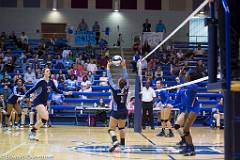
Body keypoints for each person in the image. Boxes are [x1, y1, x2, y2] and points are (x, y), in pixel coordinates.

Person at [23, 68, 72, 140]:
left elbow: (57, 90)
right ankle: (32, 132)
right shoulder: (41, 81)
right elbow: (32, 89)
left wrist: (66, 93)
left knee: (44, 119)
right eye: (47, 71)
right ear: (44, 73)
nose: (48, 72)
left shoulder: (51, 82)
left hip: (44, 102)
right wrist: (24, 96)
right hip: (38, 101)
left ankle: (33, 131)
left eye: (49, 71)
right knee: (45, 117)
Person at [106, 59, 129, 152]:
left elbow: (109, 78)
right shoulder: (126, 88)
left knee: (111, 130)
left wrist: (108, 67)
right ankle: (122, 145)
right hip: (124, 111)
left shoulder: (115, 88)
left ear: (119, 83)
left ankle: (115, 142)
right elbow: (126, 77)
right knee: (121, 128)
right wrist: (124, 66)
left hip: (116, 111)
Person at [178, 70, 200, 156]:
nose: (185, 75)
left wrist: (181, 77)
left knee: (186, 129)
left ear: (190, 77)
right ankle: (188, 147)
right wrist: (180, 75)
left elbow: (184, 84)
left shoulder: (194, 85)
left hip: (194, 108)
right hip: (188, 109)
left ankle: (191, 149)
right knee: (185, 129)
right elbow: (183, 83)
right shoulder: (188, 85)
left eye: (187, 74)